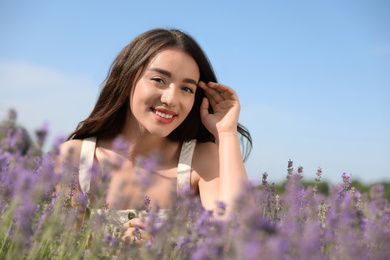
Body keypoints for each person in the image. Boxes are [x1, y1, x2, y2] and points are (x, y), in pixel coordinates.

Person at [54, 28, 253, 243]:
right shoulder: (75, 159)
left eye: (187, 89)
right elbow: (57, 245)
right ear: (128, 79)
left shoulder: (200, 160)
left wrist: (226, 133)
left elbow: (243, 239)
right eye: (159, 79)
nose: (171, 99)